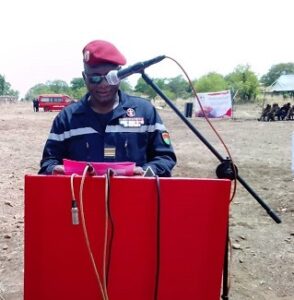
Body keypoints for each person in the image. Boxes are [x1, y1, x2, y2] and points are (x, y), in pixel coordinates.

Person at [38, 40, 177, 176]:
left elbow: (165, 157)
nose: (103, 84)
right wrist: (54, 170)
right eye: (95, 78)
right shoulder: (66, 118)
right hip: (82, 197)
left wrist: (145, 173)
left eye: (111, 77)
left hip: (133, 197)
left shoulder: (145, 111)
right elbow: (48, 162)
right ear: (84, 77)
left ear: (121, 74)